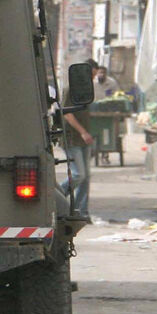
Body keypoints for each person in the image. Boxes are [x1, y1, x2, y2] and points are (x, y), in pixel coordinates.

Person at [59, 85, 94, 217]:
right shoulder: (70, 89)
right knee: (78, 174)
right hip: (71, 138)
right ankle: (56, 198)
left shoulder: (86, 90)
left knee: (85, 178)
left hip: (84, 139)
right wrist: (83, 132)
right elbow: (67, 114)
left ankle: (80, 211)